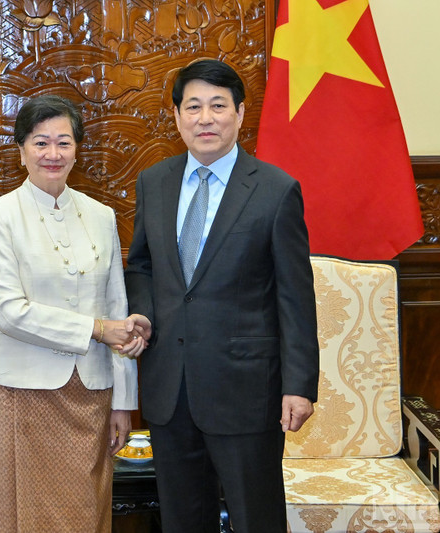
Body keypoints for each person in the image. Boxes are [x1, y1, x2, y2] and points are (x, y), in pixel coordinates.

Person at [124, 59, 320, 532]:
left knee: (257, 517)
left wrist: (299, 384)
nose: (204, 118)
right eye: (193, 107)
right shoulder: (155, 181)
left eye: (217, 106)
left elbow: (295, 296)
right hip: (170, 384)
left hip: (247, 389)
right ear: (176, 117)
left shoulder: (275, 190)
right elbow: (143, 265)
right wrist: (144, 315)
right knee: (183, 517)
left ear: (239, 113)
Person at [0, 94, 150, 532]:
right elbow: (8, 313)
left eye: (63, 143)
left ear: (77, 150)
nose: (52, 154)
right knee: (23, 516)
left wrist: (124, 403)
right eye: (40, 143)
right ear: (21, 151)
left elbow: (118, 311)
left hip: (91, 393)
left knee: (85, 512)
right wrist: (94, 329)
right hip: (22, 392)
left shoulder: (101, 215)